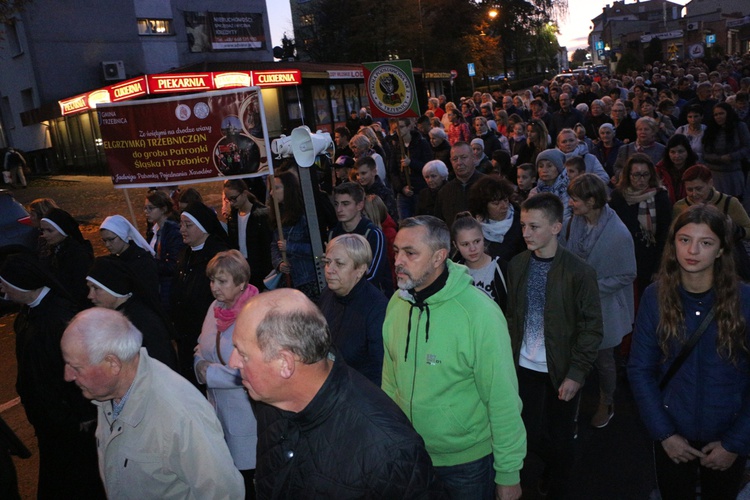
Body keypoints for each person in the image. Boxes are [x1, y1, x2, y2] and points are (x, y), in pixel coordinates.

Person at [228, 289, 447, 498]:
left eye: (243, 354)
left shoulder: (388, 450)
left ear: (285, 363)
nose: (232, 362)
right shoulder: (270, 400)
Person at [382, 215, 526, 500]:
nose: (398, 260)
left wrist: (509, 473)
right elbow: (389, 379)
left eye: (410, 253)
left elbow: (503, 399)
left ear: (439, 257)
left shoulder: (480, 314)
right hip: (410, 456)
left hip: (466, 465)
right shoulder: (397, 303)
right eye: (397, 251)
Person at [628, 205, 750, 500]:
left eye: (705, 242)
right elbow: (639, 369)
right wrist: (665, 435)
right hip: (673, 432)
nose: (692, 250)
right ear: (673, 244)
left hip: (728, 432)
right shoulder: (654, 297)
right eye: (684, 240)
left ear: (721, 250)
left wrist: (735, 443)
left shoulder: (745, 301)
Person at [61, 308, 244, 499]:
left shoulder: (179, 413)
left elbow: (225, 493)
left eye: (76, 367)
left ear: (112, 363)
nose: (68, 376)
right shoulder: (108, 393)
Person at [506, 193, 603, 497]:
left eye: (534, 227)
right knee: (528, 432)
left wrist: (576, 373)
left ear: (556, 228)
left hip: (560, 370)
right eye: (523, 226)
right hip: (523, 367)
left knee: (560, 438)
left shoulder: (579, 272)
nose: (526, 233)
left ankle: (557, 483)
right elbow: (512, 317)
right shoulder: (517, 264)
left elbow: (591, 327)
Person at [0, 254, 105, 499]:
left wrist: (83, 414)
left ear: (22, 284)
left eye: (5, 283)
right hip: (50, 423)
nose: (1, 288)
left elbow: (82, 370)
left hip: (71, 424)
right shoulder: (28, 314)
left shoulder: (60, 318)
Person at [559, 174, 636, 428]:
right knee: (575, 351)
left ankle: (607, 401)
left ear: (592, 201)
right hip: (575, 303)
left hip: (603, 307)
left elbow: (627, 274)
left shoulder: (618, 234)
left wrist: (590, 288)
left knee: (604, 360)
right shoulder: (573, 223)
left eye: (575, 199)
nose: (571, 203)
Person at [194, 250, 259, 497]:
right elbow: (201, 345)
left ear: (241, 283)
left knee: (248, 479)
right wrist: (199, 364)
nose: (215, 287)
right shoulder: (214, 308)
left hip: (245, 415)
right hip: (217, 410)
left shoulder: (253, 313)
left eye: (222, 281)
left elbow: (249, 367)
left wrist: (207, 373)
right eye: (212, 281)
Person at [171, 201, 229, 386]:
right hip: (186, 334)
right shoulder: (184, 254)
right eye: (181, 224)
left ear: (204, 227)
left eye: (188, 225)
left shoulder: (219, 256)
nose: (182, 230)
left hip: (210, 330)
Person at [317, 234, 388, 385]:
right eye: (328, 262)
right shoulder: (327, 295)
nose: (330, 270)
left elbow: (380, 368)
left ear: (360, 269)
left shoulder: (377, 308)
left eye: (340, 264)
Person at [86, 256, 177, 370]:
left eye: (96, 288)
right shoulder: (117, 314)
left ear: (114, 288)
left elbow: (161, 367)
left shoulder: (143, 321)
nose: (90, 295)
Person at [609, 153, 672, 298]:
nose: (641, 180)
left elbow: (665, 234)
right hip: (624, 257)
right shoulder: (618, 197)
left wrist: (659, 267)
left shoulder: (660, 197)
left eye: (645, 175)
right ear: (628, 175)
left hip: (650, 258)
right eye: (636, 175)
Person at [328, 182, 393, 296]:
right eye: (336, 204)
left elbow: (373, 274)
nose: (339, 209)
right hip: (341, 297)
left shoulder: (373, 234)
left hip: (372, 299)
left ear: (359, 205)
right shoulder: (333, 233)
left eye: (345, 204)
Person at [269, 171, 319, 300]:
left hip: (307, 279)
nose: (271, 193)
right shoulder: (278, 214)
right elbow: (274, 244)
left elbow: (315, 249)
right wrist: (279, 263)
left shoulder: (304, 215)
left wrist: (290, 247)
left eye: (276, 188)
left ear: (289, 189)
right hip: (288, 281)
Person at [451, 213, 508, 312]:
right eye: (465, 244)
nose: (472, 249)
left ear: (483, 238)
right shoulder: (453, 273)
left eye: (477, 241)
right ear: (455, 245)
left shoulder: (501, 268)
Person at [223, 179, 273, 291]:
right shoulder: (233, 217)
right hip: (241, 267)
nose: (231, 203)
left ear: (244, 193)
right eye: (228, 199)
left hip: (260, 269)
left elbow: (267, 245)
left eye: (234, 198)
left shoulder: (260, 215)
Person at [39, 208, 94, 308]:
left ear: (62, 230)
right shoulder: (51, 249)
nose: (45, 235)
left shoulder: (77, 254)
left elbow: (80, 288)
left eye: (50, 230)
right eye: (42, 230)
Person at [99, 215, 160, 303]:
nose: (107, 245)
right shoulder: (112, 261)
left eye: (111, 239)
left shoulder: (143, 261)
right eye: (104, 241)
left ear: (122, 235)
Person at [468, 175, 525, 262]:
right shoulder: (473, 226)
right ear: (483, 206)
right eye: (496, 203)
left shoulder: (522, 223)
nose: (504, 206)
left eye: (506, 200)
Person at [144, 190, 185, 313]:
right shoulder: (154, 230)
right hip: (158, 286)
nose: (146, 212)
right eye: (145, 208)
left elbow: (172, 265)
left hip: (168, 289)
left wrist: (149, 262)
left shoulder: (172, 232)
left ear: (163, 209)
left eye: (150, 208)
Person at [702, 102, 750, 199]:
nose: (718, 117)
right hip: (715, 174)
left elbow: (747, 146)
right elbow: (705, 153)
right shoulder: (710, 130)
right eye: (716, 114)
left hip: (733, 173)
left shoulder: (739, 126)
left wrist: (732, 156)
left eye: (721, 113)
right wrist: (719, 158)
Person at [434, 142, 486, 228]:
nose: (459, 163)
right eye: (455, 159)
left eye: (463, 157)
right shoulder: (444, 192)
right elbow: (439, 224)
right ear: (451, 161)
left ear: (473, 158)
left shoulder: (488, 185)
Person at [355, 156, 399, 222]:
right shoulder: (357, 192)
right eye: (357, 174)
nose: (360, 177)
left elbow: (392, 219)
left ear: (374, 172)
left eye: (363, 173)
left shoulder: (385, 193)